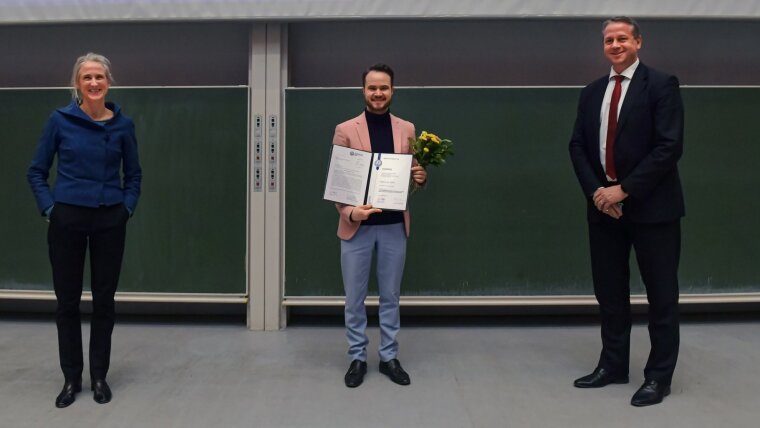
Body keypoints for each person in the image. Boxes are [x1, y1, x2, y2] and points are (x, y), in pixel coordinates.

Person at [568, 17, 685, 407]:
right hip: (604, 210)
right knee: (610, 294)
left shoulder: (662, 85)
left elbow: (669, 147)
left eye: (622, 38)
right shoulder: (592, 92)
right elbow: (578, 147)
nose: (615, 45)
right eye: (608, 40)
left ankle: (658, 377)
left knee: (661, 296)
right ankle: (613, 365)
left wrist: (624, 190)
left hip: (653, 210)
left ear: (638, 42)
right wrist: (599, 193)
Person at [27, 53, 142, 408]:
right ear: (77, 83)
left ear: (109, 82)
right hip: (67, 221)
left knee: (104, 302)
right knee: (67, 303)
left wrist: (126, 209)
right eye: (87, 77)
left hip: (110, 220)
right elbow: (36, 171)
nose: (94, 83)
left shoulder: (123, 125)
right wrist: (50, 208)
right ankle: (71, 377)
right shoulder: (59, 121)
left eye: (100, 77)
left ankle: (100, 376)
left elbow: (134, 175)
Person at [332, 63, 427, 388]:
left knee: (390, 296)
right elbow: (339, 181)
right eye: (372, 88)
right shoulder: (346, 129)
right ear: (363, 91)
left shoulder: (407, 128)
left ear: (392, 90)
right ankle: (357, 357)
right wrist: (349, 212)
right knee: (354, 298)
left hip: (393, 226)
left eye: (384, 87)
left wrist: (420, 177)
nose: (378, 93)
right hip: (357, 227)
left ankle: (388, 357)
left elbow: (411, 173)